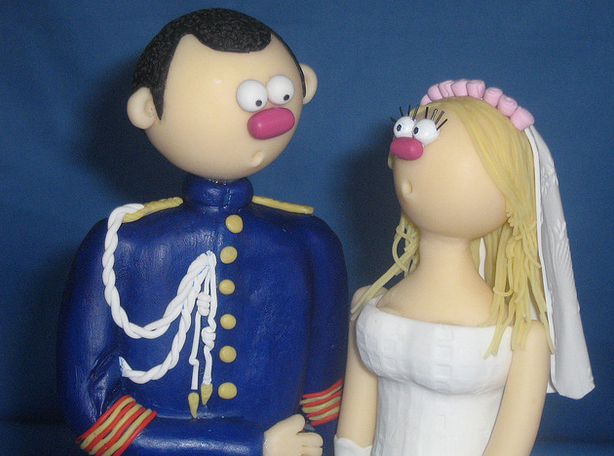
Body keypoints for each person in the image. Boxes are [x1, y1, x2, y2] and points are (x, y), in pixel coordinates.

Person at [57, 9, 348, 456]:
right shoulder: (119, 246)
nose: (267, 117)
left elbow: (324, 393)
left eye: (281, 94)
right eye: (249, 99)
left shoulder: (311, 242)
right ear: (147, 109)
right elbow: (92, 409)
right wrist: (249, 446)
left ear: (304, 85)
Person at [335, 80, 593, 456]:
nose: (413, 153)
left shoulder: (523, 338)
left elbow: (508, 446)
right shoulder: (367, 303)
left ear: (512, 199)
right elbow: (354, 427)